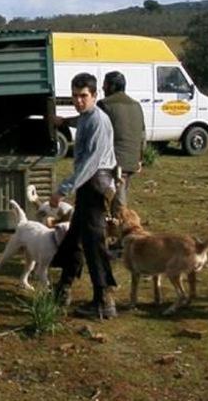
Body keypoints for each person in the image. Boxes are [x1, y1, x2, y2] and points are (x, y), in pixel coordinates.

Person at [50, 73, 118, 319]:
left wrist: (62, 190)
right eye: (75, 96)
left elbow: (90, 165)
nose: (79, 101)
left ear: (94, 95)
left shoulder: (99, 121)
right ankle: (64, 288)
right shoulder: (88, 116)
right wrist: (62, 122)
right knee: (74, 239)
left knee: (93, 244)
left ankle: (104, 302)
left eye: (83, 96)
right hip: (88, 187)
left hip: (94, 185)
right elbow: (81, 120)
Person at [98, 71, 145, 216]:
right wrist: (139, 159)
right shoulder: (136, 105)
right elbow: (142, 135)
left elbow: (93, 126)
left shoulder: (105, 105)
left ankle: (120, 232)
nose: (102, 87)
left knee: (116, 205)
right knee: (120, 196)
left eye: (105, 84)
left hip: (113, 162)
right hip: (131, 160)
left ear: (111, 86)